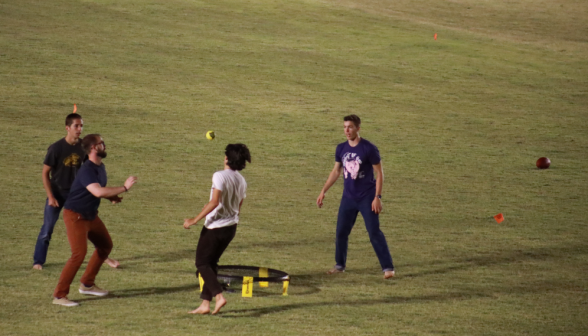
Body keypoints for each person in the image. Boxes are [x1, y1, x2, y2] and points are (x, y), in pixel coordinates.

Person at [52, 134, 137, 307]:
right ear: (93, 148)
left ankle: (87, 284)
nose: (104, 145)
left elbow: (96, 191)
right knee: (78, 255)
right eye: (101, 143)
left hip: (90, 215)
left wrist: (111, 197)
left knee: (105, 245)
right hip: (75, 216)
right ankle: (59, 296)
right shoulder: (87, 170)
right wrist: (124, 188)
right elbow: (97, 192)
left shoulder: (100, 166)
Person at [33, 114, 120, 270]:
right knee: (47, 229)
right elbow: (45, 173)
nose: (80, 129)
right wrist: (50, 196)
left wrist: (110, 196)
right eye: (76, 126)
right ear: (67, 128)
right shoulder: (56, 148)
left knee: (90, 228)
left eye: (81, 126)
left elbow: (91, 176)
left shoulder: (84, 148)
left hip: (77, 196)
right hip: (58, 194)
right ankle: (38, 261)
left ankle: (103, 257)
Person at [317, 115, 395, 279]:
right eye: (345, 127)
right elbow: (336, 171)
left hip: (367, 198)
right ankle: (339, 265)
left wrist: (377, 197)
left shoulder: (369, 148)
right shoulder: (341, 148)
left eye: (350, 127)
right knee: (341, 232)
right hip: (348, 198)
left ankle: (388, 268)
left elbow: (379, 173)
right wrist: (324, 190)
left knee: (374, 232)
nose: (346, 130)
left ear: (358, 128)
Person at [183, 144, 251, 315]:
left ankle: (219, 296)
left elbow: (214, 202)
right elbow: (239, 205)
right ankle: (205, 304)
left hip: (215, 227)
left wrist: (193, 220)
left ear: (227, 159)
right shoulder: (242, 180)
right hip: (231, 228)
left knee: (202, 263)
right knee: (211, 263)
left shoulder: (219, 176)